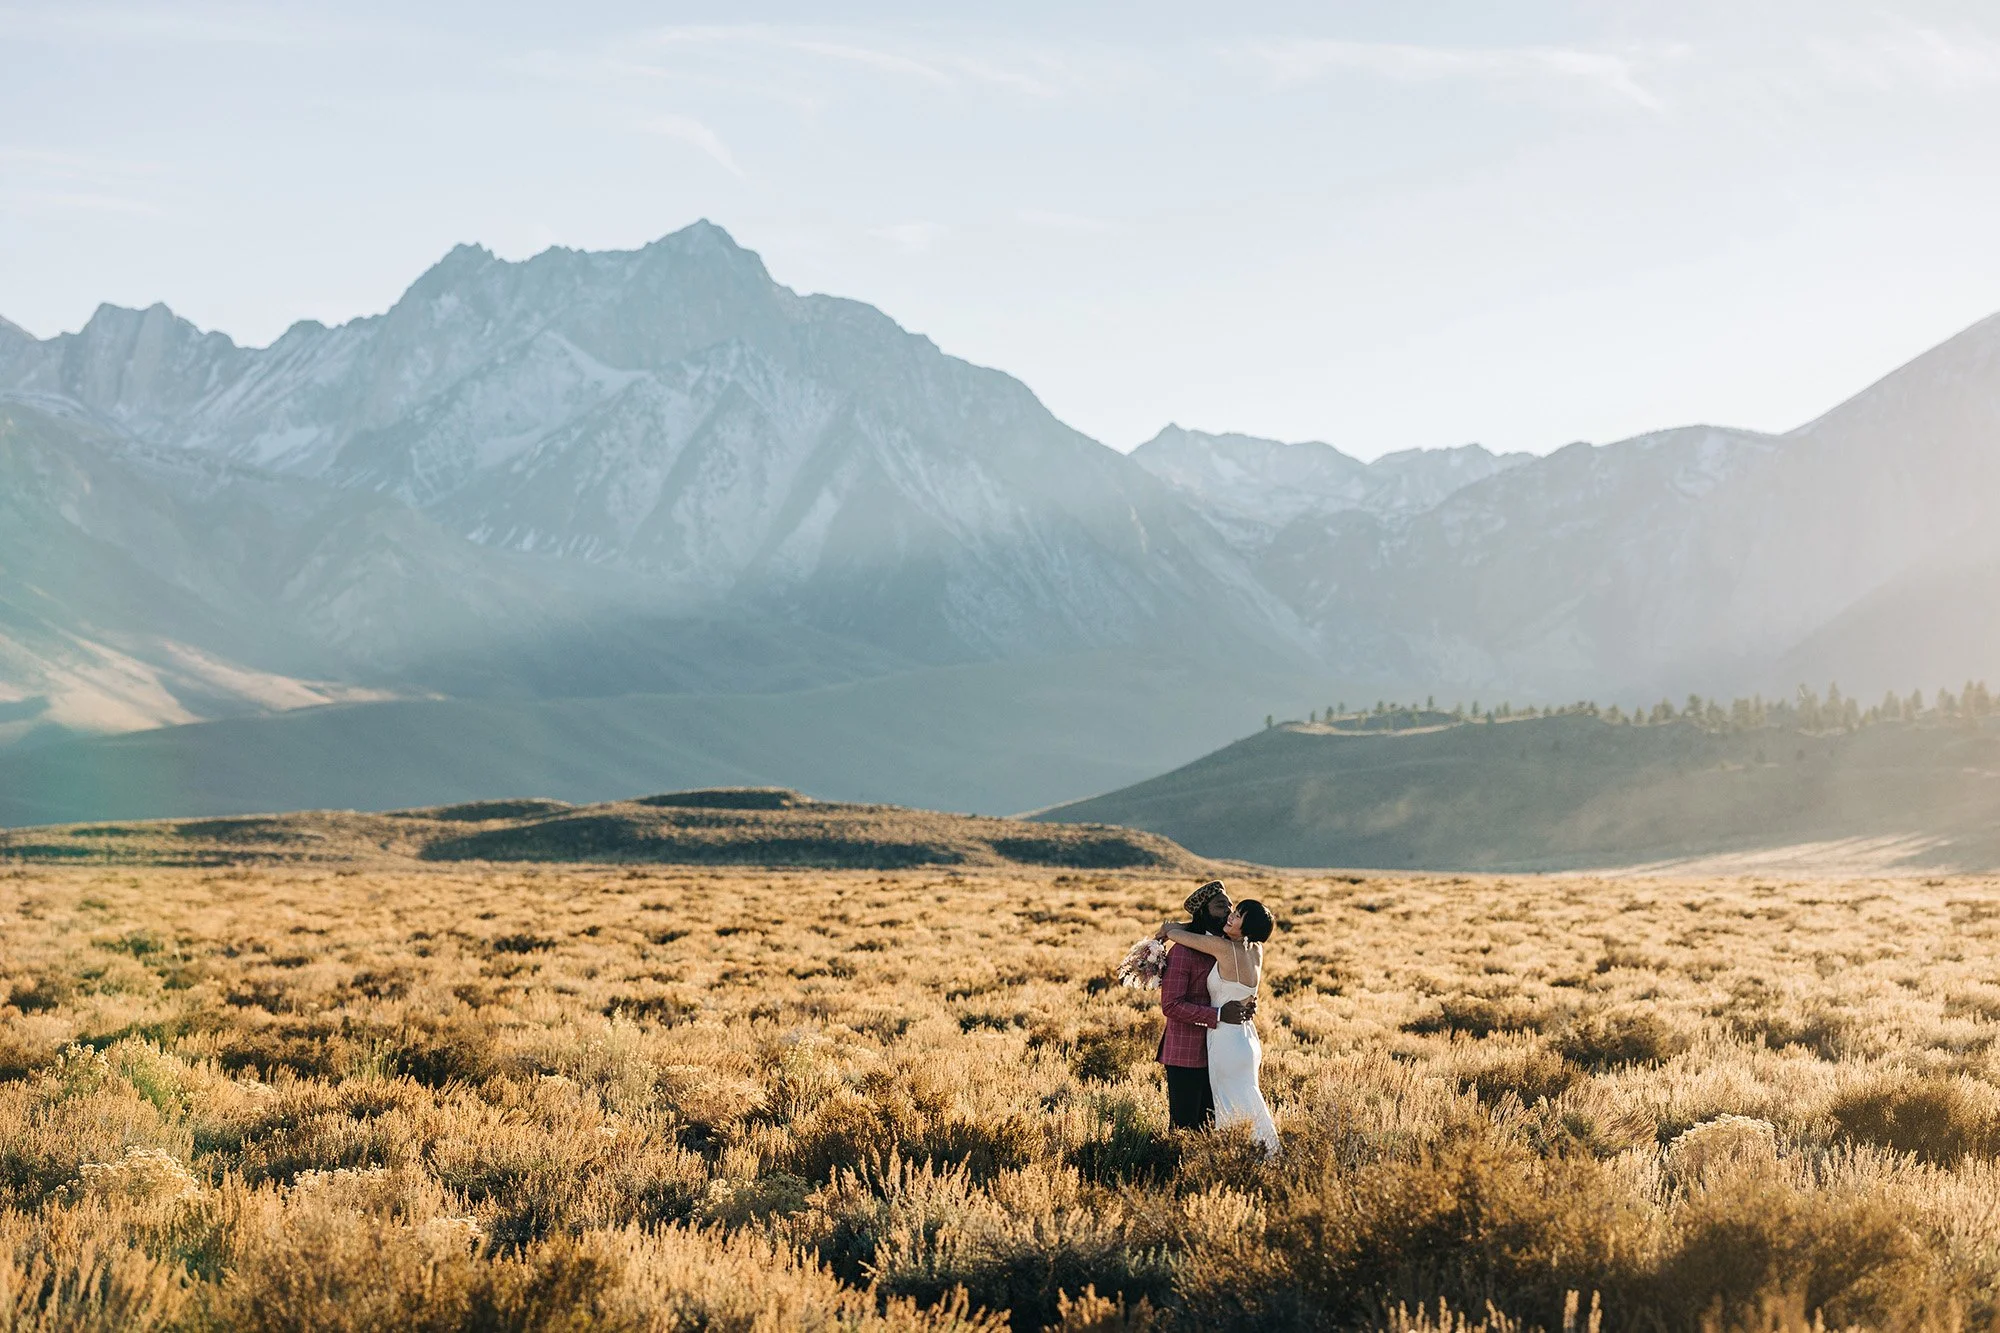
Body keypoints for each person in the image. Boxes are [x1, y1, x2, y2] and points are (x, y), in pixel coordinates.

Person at [1159, 897, 1279, 1156]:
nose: (1229, 916)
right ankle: (1266, 1153)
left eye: (1237, 915)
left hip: (1225, 1039)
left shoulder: (1221, 948)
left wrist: (1168, 929)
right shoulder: (1257, 950)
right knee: (1248, 1100)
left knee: (1225, 1107)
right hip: (1248, 1039)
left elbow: (1177, 934)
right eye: (1229, 910)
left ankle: (1233, 1159)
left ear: (1246, 927)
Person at [1156, 880, 1256, 1132]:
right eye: (1221, 906)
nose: (1229, 912)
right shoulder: (1181, 952)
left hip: (1221, 1050)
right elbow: (1171, 1005)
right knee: (1185, 1127)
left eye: (1231, 907)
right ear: (1203, 912)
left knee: (1214, 1125)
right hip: (1186, 1052)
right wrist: (1220, 1014)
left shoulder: (1229, 948)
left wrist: (1245, 1004)